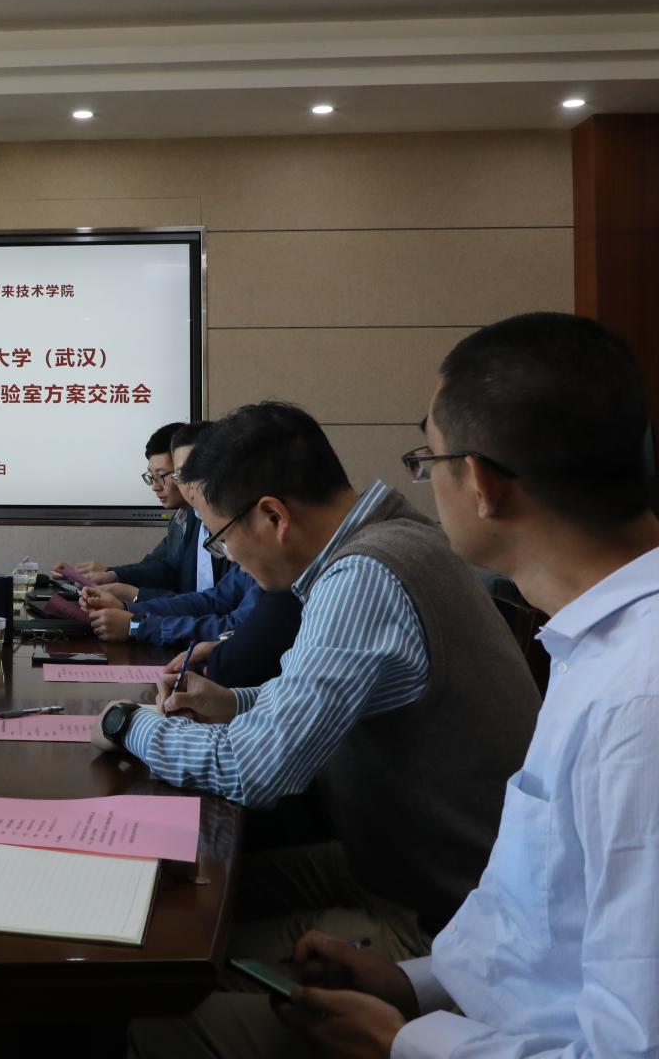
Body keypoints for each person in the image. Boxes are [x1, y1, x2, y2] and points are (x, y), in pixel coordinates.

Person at [270, 313, 659, 1059]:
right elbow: (552, 930)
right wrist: (410, 986)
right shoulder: (612, 646)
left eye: (428, 459)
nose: (428, 482)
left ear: (481, 482)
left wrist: (407, 1044)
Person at [101, 401, 539, 1019]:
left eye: (221, 539)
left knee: (154, 998)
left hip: (440, 916)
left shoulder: (362, 577)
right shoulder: (399, 539)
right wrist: (233, 701)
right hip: (396, 861)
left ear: (273, 516)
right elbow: (320, 695)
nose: (228, 559)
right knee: (174, 894)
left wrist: (127, 724)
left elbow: (254, 772)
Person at [81, 422, 259, 647]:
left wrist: (136, 620)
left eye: (183, 475)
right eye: (181, 476)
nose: (187, 486)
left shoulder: (262, 549)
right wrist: (128, 606)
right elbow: (211, 599)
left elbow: (234, 627)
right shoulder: (189, 518)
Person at [61, 420, 189, 587]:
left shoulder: (204, 521)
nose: (155, 486)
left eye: (161, 475)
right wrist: (108, 574)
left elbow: (173, 577)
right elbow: (153, 567)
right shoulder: (179, 520)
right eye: (152, 476)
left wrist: (131, 597)